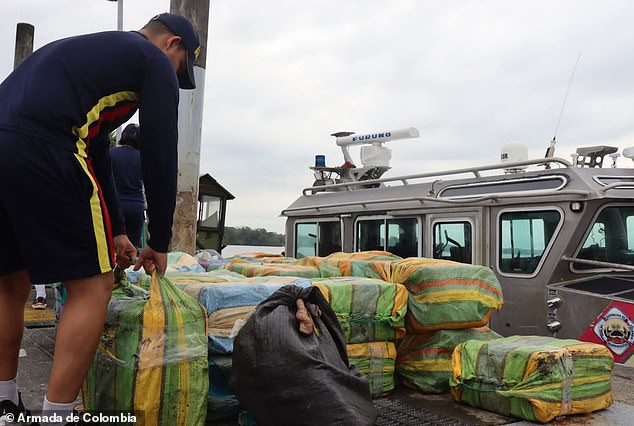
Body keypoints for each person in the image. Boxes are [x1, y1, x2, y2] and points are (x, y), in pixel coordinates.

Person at [0, 12, 200, 425]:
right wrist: (160, 240)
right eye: (182, 67)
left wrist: (119, 231)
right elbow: (161, 152)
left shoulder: (91, 53)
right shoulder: (153, 60)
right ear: (172, 44)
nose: (175, 77)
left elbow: (99, 152)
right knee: (93, 286)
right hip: (46, 147)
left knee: (10, 285)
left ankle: (4, 403)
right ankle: (57, 415)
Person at [111, 123, 145, 248]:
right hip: (136, 207)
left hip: (115, 205)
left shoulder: (110, 154)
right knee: (132, 248)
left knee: (110, 246)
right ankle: (130, 267)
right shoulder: (144, 158)